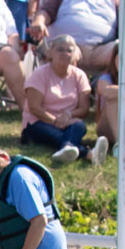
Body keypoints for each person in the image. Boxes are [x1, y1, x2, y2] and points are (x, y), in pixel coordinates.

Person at [22, 34, 92, 162]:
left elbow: (84, 109)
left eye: (69, 50)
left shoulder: (79, 75)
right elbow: (34, 108)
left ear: (74, 54)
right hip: (38, 122)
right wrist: (56, 121)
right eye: (60, 49)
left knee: (80, 125)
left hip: (67, 122)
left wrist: (68, 115)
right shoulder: (40, 74)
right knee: (59, 135)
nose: (64, 53)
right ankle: (86, 153)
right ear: (51, 52)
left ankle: (67, 148)